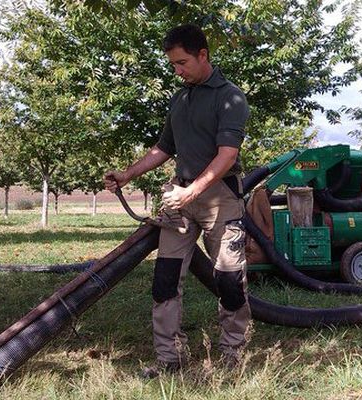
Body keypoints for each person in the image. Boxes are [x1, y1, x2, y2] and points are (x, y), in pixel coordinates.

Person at [103, 24, 251, 377]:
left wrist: (192, 191)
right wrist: (127, 174)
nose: (177, 70)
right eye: (172, 65)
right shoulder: (179, 98)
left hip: (221, 198)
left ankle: (233, 357)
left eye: (182, 62)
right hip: (179, 198)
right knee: (165, 279)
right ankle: (169, 358)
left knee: (229, 279)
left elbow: (227, 155)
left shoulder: (231, 97)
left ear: (203, 55)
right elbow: (164, 148)